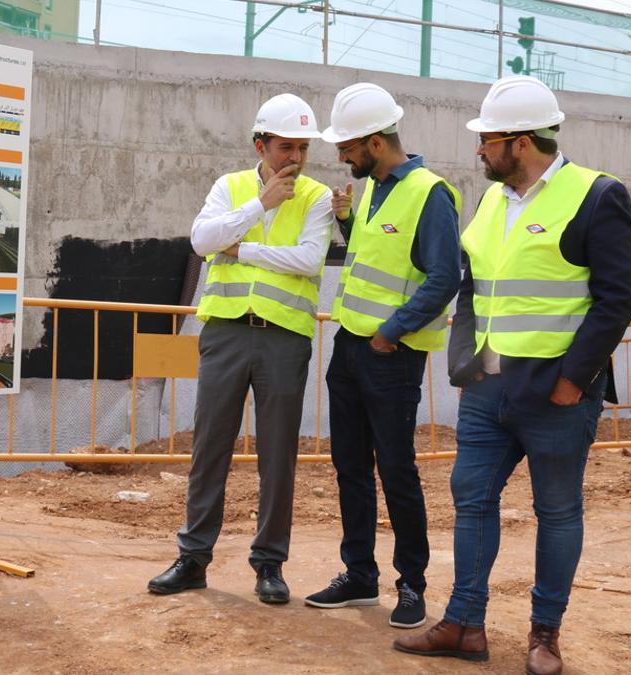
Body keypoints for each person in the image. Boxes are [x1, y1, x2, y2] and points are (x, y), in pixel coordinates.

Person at [393, 75, 631, 675]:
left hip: (557, 393)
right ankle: (464, 624)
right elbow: (474, 286)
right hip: (490, 389)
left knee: (557, 511)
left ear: (522, 142)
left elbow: (616, 301)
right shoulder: (492, 201)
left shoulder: (597, 196)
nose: (479, 149)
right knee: (470, 498)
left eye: (489, 139)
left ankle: (545, 635)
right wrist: (466, 362)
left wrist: (572, 382)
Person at [147, 94, 334, 603]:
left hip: (284, 337)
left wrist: (243, 248)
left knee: (278, 455)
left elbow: (309, 258)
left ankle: (269, 564)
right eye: (285, 147)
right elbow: (203, 241)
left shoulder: (317, 196)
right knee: (210, 448)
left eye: (302, 148)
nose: (295, 158)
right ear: (261, 144)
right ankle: (193, 557)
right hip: (227, 333)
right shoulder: (229, 187)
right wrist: (260, 206)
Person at [304, 83, 461, 629]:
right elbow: (373, 257)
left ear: (375, 140)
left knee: (396, 468)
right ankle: (360, 576)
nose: (340, 156)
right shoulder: (370, 187)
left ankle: (411, 585)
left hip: (389, 354)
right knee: (350, 465)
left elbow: (444, 276)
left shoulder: (429, 192)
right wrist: (348, 222)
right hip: (350, 345)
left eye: (347, 146)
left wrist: (391, 332)